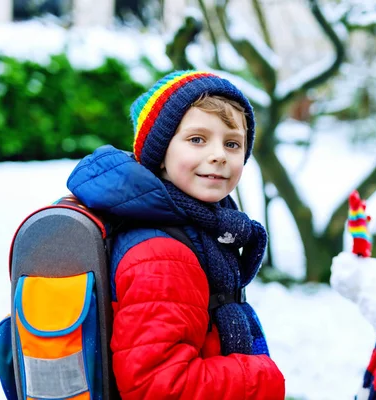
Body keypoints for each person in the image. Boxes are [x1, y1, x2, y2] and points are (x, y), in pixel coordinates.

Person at [66, 70, 285, 399]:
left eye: (232, 143)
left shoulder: (199, 226)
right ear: (159, 154)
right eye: (197, 139)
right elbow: (156, 385)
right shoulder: (162, 255)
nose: (219, 155)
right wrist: (261, 378)